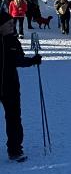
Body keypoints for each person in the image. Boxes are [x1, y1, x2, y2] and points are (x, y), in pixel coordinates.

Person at [0, 11, 42, 162]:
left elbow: (19, 59)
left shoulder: (13, 41)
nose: (12, 25)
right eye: (8, 24)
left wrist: (33, 61)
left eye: (12, 23)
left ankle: (15, 149)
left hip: (10, 85)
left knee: (14, 118)